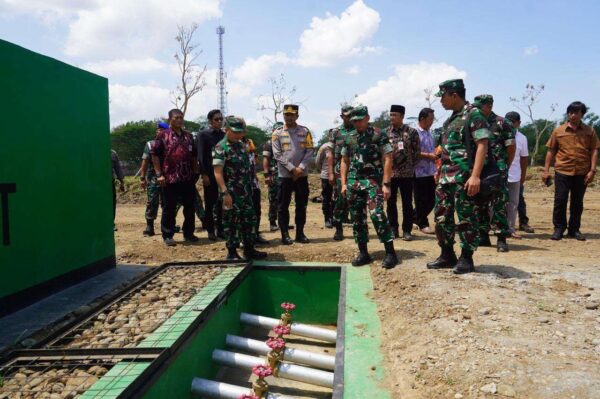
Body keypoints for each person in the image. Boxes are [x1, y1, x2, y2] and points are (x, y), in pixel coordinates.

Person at [426, 79, 490, 274]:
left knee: (466, 219)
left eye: (443, 97)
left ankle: (466, 257)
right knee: (442, 218)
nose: (441, 101)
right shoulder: (450, 119)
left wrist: (476, 176)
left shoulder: (473, 114)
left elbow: (482, 145)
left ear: (454, 95)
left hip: (464, 177)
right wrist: (438, 173)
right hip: (445, 178)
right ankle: (447, 254)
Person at [341, 105, 399, 269]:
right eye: (354, 121)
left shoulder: (378, 135)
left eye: (360, 120)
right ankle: (363, 252)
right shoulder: (349, 137)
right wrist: (344, 183)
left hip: (373, 181)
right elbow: (344, 160)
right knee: (357, 218)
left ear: (367, 117)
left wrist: (386, 184)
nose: (357, 124)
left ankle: (390, 253)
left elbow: (387, 157)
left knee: (377, 214)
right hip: (354, 182)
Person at [213, 116, 267, 260]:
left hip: (245, 192)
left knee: (249, 220)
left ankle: (249, 250)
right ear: (226, 129)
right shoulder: (220, 147)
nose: (238, 134)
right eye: (235, 132)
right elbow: (217, 173)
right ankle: (232, 253)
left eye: (240, 132)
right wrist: (225, 193)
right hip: (231, 193)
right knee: (231, 222)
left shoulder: (241, 145)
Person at [543, 101, 599, 241]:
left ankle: (574, 229)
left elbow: (594, 150)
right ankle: (558, 229)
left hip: (582, 172)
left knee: (577, 202)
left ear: (582, 114)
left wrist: (592, 170)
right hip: (562, 170)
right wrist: (546, 170)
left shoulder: (589, 131)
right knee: (560, 200)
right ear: (568, 113)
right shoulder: (558, 131)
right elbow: (551, 150)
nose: (573, 115)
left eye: (576, 112)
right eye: (570, 112)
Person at [472, 95, 515, 252]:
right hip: (479, 169)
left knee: (499, 203)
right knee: (480, 202)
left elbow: (511, 148)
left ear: (489, 106)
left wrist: (505, 166)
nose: (475, 109)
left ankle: (501, 238)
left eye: (479, 106)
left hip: (497, 169)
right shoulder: (475, 121)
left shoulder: (503, 123)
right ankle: (483, 234)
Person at [150, 109, 199, 246]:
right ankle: (167, 235)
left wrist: (195, 170)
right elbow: (154, 154)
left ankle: (188, 233)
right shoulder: (163, 136)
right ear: (170, 119)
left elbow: (194, 155)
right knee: (169, 207)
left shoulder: (189, 136)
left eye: (181, 117)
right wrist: (159, 174)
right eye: (176, 117)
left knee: (190, 207)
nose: (179, 120)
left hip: (188, 178)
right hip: (169, 178)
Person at [272, 104, 314, 245]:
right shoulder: (277, 133)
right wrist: (292, 169)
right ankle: (285, 235)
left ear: (297, 116)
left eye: (291, 114)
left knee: (301, 205)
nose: (288, 117)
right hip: (285, 176)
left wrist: (300, 168)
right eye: (286, 114)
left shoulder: (305, 131)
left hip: (301, 175)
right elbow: (277, 154)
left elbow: (309, 151)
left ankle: (300, 233)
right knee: (283, 206)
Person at [386, 104, 420, 241]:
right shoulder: (386, 132)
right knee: (390, 203)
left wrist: (410, 165)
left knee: (407, 202)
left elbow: (417, 152)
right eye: (391, 115)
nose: (392, 117)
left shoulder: (411, 132)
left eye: (395, 115)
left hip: (406, 174)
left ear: (402, 116)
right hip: (391, 174)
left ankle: (407, 230)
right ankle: (393, 229)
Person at [198, 109, 225, 241]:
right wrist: (204, 175)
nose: (219, 121)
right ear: (210, 121)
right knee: (210, 203)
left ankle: (220, 229)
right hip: (209, 173)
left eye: (221, 119)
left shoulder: (224, 135)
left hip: (222, 174)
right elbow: (201, 156)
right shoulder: (203, 135)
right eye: (216, 119)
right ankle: (210, 230)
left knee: (221, 203)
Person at [328, 105, 354, 240]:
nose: (349, 118)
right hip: (339, 169)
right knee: (339, 199)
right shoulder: (335, 132)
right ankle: (338, 229)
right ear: (342, 116)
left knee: (356, 199)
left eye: (351, 115)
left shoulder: (360, 129)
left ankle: (359, 230)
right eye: (346, 115)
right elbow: (330, 153)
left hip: (356, 168)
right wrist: (331, 172)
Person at [505, 111, 529, 238]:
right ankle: (493, 226)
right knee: (494, 203)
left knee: (513, 203)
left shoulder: (522, 138)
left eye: (513, 123)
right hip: (500, 175)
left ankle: (510, 228)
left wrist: (523, 175)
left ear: (518, 124)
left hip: (515, 175)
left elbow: (524, 158)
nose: (509, 125)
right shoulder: (499, 135)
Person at [139, 123, 167, 236]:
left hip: (168, 179)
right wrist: (142, 178)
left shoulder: (170, 144)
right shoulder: (150, 144)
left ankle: (167, 226)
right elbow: (145, 162)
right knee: (152, 202)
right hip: (153, 179)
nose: (159, 132)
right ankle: (149, 226)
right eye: (158, 130)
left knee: (168, 203)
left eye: (162, 130)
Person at [413, 108, 437, 234]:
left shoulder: (429, 132)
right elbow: (412, 152)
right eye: (430, 119)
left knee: (432, 199)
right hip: (418, 172)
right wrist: (428, 156)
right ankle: (423, 223)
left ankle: (413, 217)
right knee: (420, 199)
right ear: (422, 119)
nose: (432, 121)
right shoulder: (414, 132)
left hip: (429, 171)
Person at [242, 134, 269, 244]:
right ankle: (243, 239)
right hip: (240, 185)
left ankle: (255, 234)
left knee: (256, 210)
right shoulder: (230, 144)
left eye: (243, 128)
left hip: (253, 183)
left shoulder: (249, 142)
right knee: (242, 213)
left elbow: (254, 160)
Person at [263, 122, 284, 231]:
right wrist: (266, 175)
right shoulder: (269, 143)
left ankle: (282, 222)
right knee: (273, 199)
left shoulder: (285, 142)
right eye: (277, 130)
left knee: (284, 199)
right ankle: (272, 222)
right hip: (274, 175)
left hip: (284, 175)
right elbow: (265, 159)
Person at [316, 141, 334, 228]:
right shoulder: (324, 147)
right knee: (327, 197)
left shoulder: (342, 144)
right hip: (326, 176)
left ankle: (334, 218)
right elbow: (317, 161)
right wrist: (324, 170)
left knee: (337, 198)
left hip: (338, 175)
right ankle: (327, 218)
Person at [111, 149, 125, 230]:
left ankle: (111, 223)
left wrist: (122, 182)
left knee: (112, 203)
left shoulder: (112, 153)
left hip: (109, 182)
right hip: (96, 184)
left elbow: (118, 169)